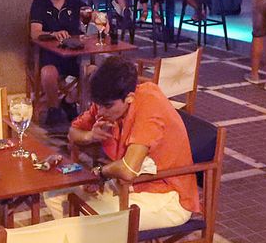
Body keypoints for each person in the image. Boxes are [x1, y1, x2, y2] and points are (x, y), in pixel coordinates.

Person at [64, 57, 198, 231]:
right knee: (56, 196)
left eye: (107, 107)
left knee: (84, 218)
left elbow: (128, 169)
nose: (101, 111)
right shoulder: (108, 99)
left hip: (167, 195)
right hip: (129, 186)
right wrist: (90, 135)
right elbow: (72, 133)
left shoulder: (150, 105)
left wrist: (100, 173)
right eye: (98, 106)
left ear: (129, 98)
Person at [29, 0, 89, 124]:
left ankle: (69, 101)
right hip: (50, 56)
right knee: (48, 73)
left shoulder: (75, 3)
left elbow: (91, 18)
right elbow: (34, 33)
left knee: (92, 71)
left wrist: (102, 21)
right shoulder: (39, 4)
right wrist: (52, 34)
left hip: (74, 56)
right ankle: (54, 110)